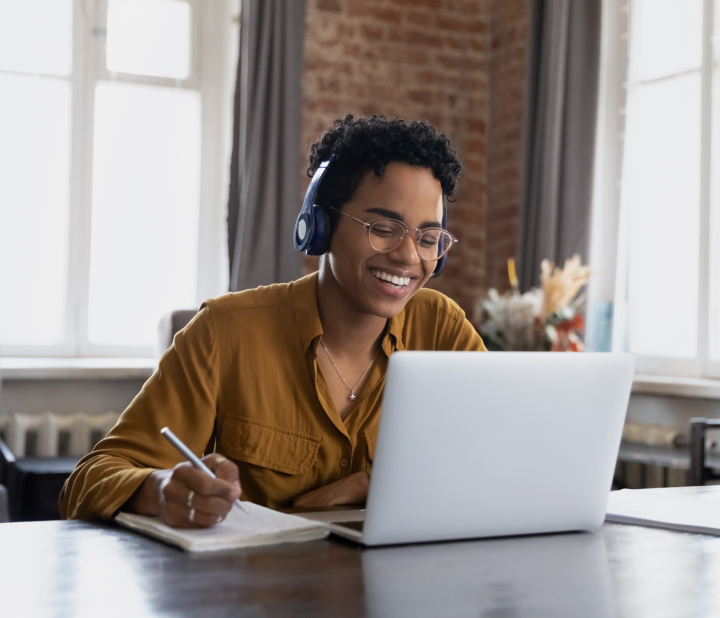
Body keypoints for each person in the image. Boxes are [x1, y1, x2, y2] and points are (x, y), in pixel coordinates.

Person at [59, 115, 487, 527]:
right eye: (383, 227)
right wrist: (163, 487)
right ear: (319, 225)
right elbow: (89, 480)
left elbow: (501, 459)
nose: (410, 257)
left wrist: (379, 486)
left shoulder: (442, 330)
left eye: (429, 239)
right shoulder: (223, 333)